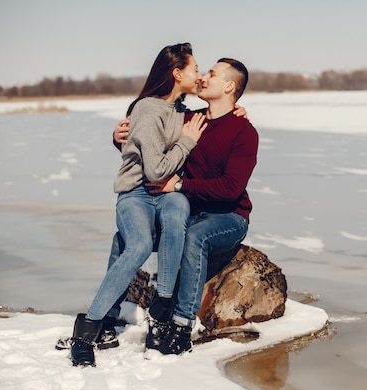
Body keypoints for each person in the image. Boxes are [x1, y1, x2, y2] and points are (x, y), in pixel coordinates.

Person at [69, 43, 207, 367]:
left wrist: (238, 111)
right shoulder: (147, 108)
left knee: (177, 218)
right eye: (195, 69)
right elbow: (156, 169)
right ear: (177, 73)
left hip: (169, 194)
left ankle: (162, 304)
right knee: (139, 244)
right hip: (137, 193)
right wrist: (187, 142)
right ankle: (86, 330)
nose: (199, 75)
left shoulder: (181, 111)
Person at [112, 57, 259, 356]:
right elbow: (148, 141)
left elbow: (231, 188)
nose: (203, 77)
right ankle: (106, 316)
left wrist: (179, 185)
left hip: (228, 216)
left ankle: (180, 325)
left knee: (196, 237)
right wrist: (118, 139)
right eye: (203, 72)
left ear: (229, 86)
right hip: (190, 212)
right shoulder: (190, 121)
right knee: (124, 237)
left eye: (212, 74)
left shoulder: (244, 132)